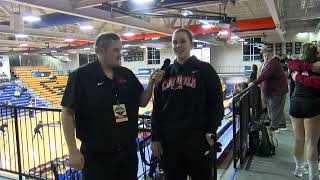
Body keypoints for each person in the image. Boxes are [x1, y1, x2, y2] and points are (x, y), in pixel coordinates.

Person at [61, 32, 164, 179]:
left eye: (120, 50)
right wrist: (72, 150)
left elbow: (142, 102)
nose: (119, 54)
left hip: (128, 154)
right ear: (101, 51)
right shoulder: (81, 76)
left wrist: (151, 85)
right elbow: (67, 113)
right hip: (97, 157)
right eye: (115, 50)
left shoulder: (126, 74)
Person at [151, 28, 224, 180]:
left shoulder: (205, 70)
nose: (178, 45)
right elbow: (157, 108)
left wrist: (211, 131)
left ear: (191, 44)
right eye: (175, 42)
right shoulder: (165, 73)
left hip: (197, 140)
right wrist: (155, 137)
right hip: (170, 142)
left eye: (183, 41)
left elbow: (216, 104)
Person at [288, 43, 320, 180]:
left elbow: (291, 65)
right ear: (317, 53)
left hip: (295, 104)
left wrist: (300, 76)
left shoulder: (297, 66)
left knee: (298, 139)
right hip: (312, 104)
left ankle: (299, 169)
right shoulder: (317, 67)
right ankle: (313, 175)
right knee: (312, 142)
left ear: (301, 52)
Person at [249, 48, 288, 133]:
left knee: (275, 109)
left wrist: (254, 83)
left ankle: (274, 127)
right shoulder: (267, 63)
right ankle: (282, 125)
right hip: (272, 90)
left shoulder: (273, 63)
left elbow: (265, 75)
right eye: (265, 55)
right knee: (276, 108)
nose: (266, 57)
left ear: (271, 55)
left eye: (268, 55)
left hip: (277, 90)